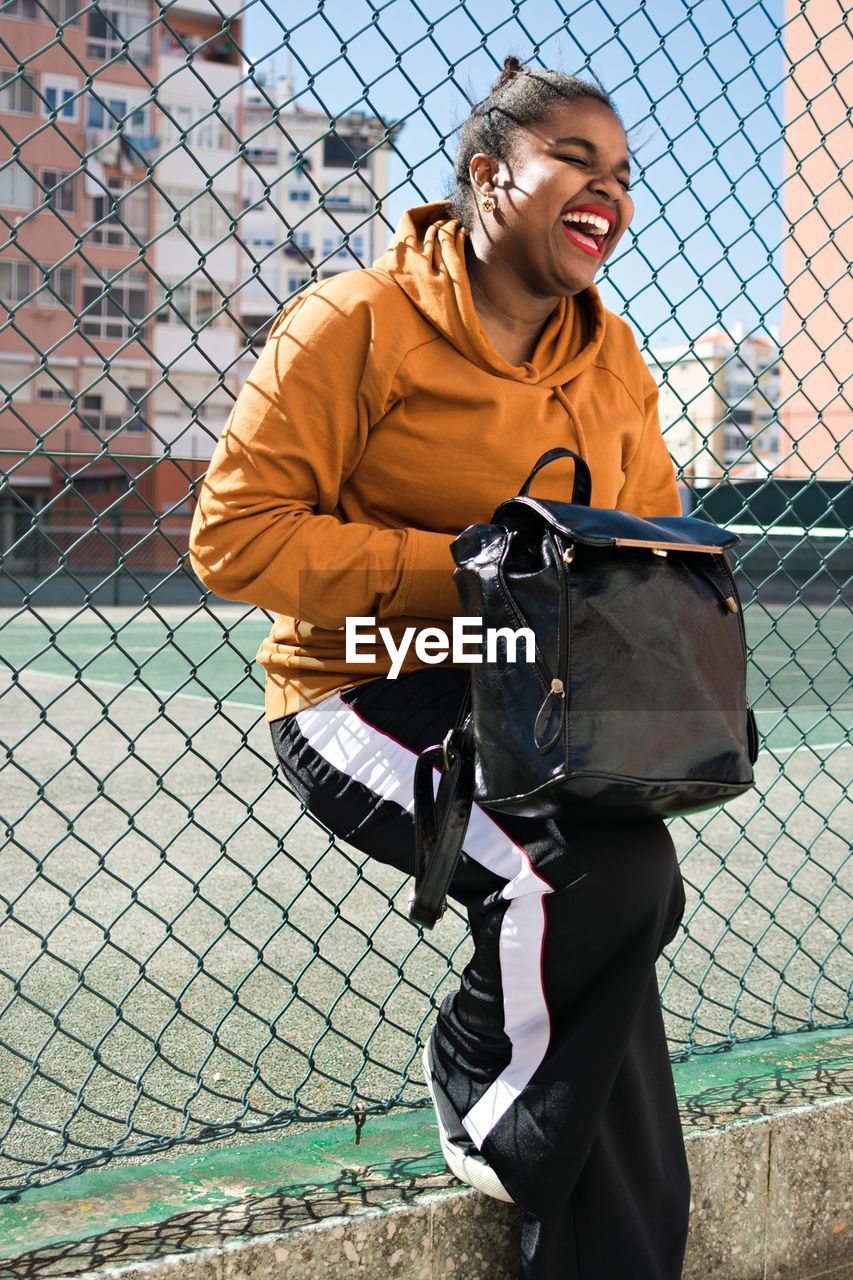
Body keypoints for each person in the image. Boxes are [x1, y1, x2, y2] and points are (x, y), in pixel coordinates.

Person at [189, 55, 691, 1280]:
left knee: (629, 896)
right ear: (485, 176)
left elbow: (652, 530)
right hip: (359, 689)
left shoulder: (612, 356)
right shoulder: (353, 321)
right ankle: (479, 1071)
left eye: (622, 173)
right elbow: (235, 536)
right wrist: (478, 573)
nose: (607, 189)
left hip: (539, 693)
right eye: (576, 158)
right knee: (588, 884)